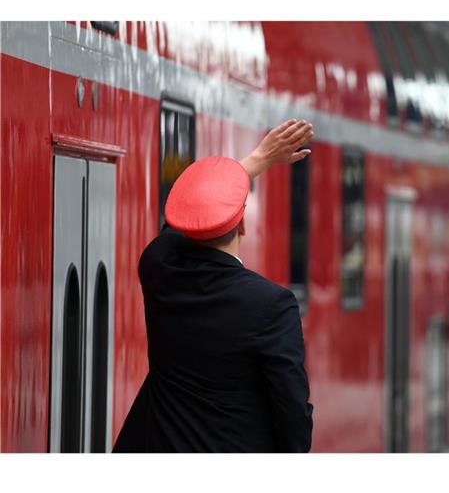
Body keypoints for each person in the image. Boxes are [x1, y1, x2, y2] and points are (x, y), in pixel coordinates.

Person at [113, 119, 315, 453]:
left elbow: (179, 225)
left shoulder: (159, 268)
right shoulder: (271, 305)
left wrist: (256, 161)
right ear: (244, 225)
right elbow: (294, 422)